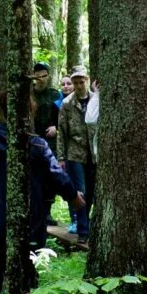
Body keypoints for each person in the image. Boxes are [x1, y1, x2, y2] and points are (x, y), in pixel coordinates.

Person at [0, 92, 86, 293]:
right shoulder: (36, 144)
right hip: (28, 228)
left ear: (0, 112)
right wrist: (73, 197)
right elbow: (57, 175)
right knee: (24, 287)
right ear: (29, 111)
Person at [54, 67, 96, 240]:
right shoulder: (67, 104)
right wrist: (61, 157)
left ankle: (86, 224)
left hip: (93, 153)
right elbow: (61, 132)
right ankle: (83, 231)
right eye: (75, 82)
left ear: (86, 80)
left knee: (92, 191)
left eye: (81, 82)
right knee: (80, 191)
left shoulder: (96, 99)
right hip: (74, 153)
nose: (78, 86)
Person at [31, 62, 62, 138]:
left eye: (44, 76)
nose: (41, 79)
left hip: (49, 137)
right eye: (38, 76)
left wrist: (56, 128)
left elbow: (62, 116)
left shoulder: (55, 95)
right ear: (34, 76)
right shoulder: (28, 93)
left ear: (48, 76)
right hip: (32, 136)